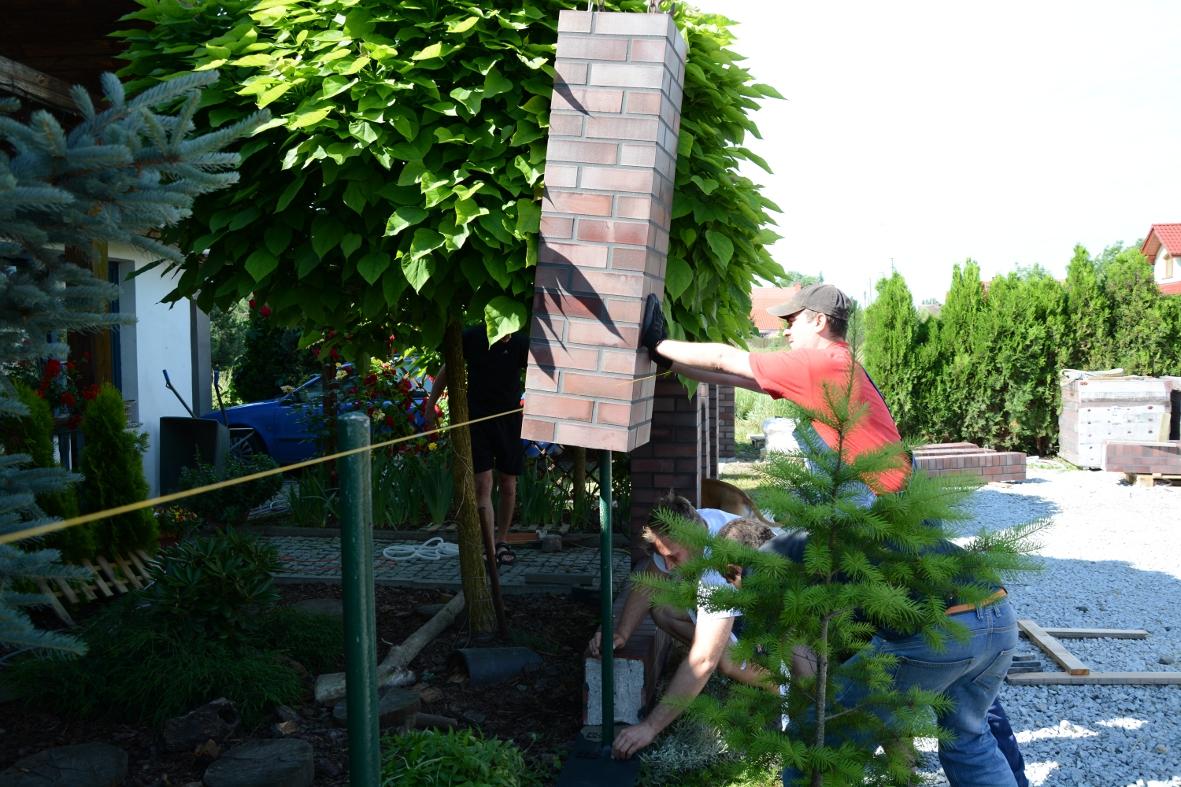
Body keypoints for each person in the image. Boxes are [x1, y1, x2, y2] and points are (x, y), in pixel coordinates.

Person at [639, 286, 1028, 785]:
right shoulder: (835, 373)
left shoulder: (822, 364)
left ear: (820, 322)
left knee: (844, 719)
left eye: (793, 321)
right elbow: (734, 376)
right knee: (963, 719)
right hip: (981, 596)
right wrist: (669, 364)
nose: (785, 330)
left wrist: (660, 343)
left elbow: (726, 358)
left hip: (882, 515)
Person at [588, 493, 772, 760]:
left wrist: (650, 727)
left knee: (722, 659)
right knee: (663, 609)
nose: (669, 566)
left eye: (674, 557)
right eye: (664, 556)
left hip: (780, 622)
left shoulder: (720, 564)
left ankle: (784, 688)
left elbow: (703, 660)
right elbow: (650, 581)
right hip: (748, 604)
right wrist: (622, 632)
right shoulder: (689, 529)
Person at [424, 326, 529, 566]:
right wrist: (430, 406)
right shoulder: (472, 337)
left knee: (508, 483)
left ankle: (502, 541)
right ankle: (489, 549)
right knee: (483, 484)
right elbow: (449, 368)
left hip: (509, 421)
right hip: (477, 420)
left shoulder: (522, 343)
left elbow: (542, 375)